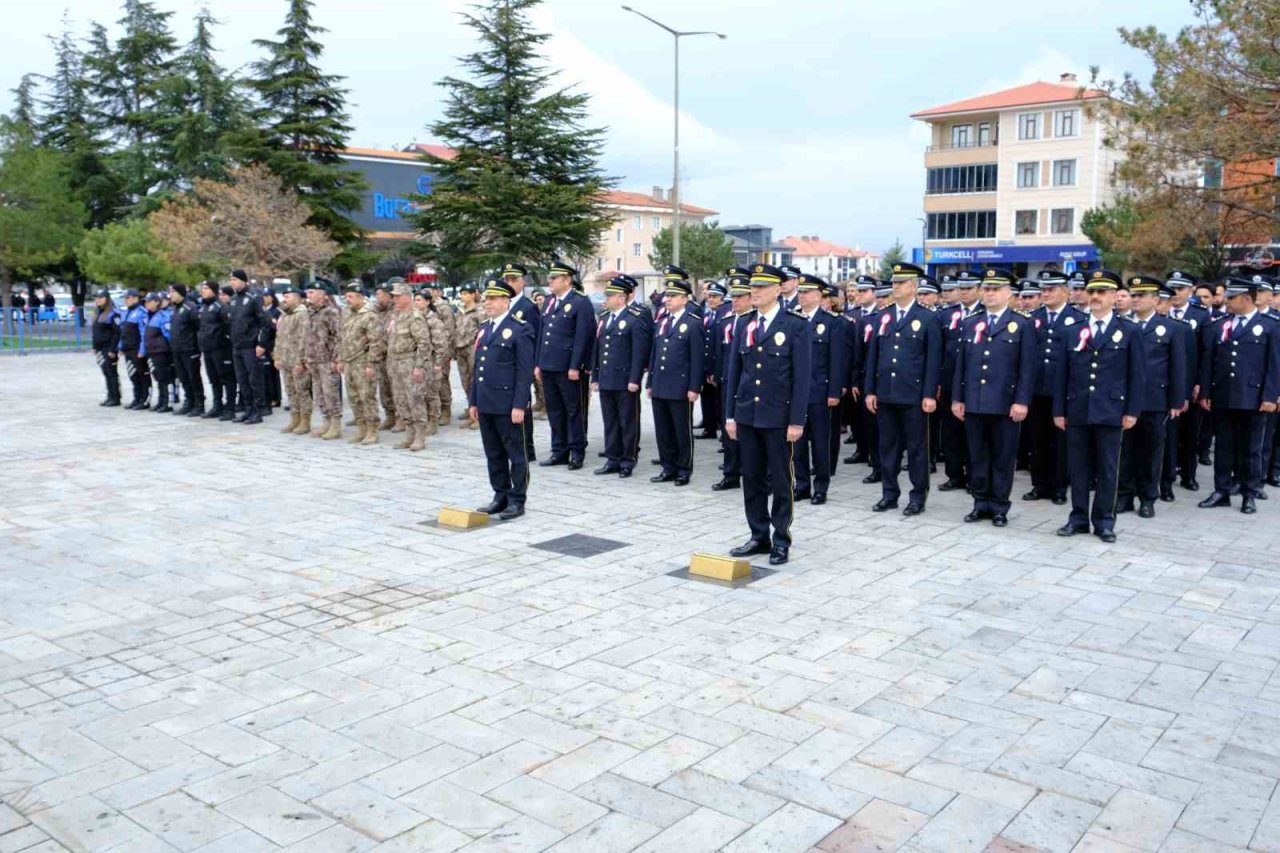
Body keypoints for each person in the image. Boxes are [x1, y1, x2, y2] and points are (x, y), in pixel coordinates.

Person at [724, 263, 812, 565]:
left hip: (778, 417)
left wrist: (797, 420)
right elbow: (733, 373)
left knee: (779, 481)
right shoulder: (743, 323)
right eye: (753, 287)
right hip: (748, 414)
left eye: (761, 287)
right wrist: (730, 416)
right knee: (752, 478)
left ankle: (780, 539)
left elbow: (802, 379)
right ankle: (758, 535)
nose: (755, 292)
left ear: (778, 289)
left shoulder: (795, 325)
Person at [1054, 269, 1146, 543]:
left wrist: (1132, 411)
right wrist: (1059, 410)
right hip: (1078, 410)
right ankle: (1078, 517)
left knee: (1107, 468)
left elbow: (1136, 376)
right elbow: (1062, 375)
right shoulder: (1072, 330)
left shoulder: (1128, 331)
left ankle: (1104, 520)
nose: (1095, 296)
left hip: (1111, 411)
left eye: (1101, 292)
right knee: (1078, 468)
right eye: (1092, 291)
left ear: (1114, 296)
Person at [951, 268, 1036, 526]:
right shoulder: (971, 322)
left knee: (1002, 457)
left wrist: (1021, 401)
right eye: (986, 289)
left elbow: (1027, 368)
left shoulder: (1022, 323)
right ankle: (980, 503)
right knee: (977, 456)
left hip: (1005, 404)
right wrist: (957, 398)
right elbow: (961, 367)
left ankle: (999, 506)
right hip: (975, 402)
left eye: (995, 289)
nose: (989, 294)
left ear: (1008, 293)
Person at [1197, 276, 1280, 513]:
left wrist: (1270, 396)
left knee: (1251, 449)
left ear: (1246, 299)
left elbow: (1274, 366)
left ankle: (1248, 493)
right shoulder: (1221, 324)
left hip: (1253, 398)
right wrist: (1205, 390)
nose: (1227, 301)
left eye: (1232, 297)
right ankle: (1221, 490)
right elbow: (1209, 361)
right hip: (1223, 395)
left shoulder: (1270, 325)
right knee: (1223, 446)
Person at [864, 262, 942, 515]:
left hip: (914, 395)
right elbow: (873, 356)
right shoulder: (883, 316)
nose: (895, 287)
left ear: (914, 286)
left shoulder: (928, 317)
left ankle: (918, 496)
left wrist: (929, 394)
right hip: (886, 393)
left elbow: (933, 360)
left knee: (917, 449)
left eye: (900, 283)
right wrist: (870, 390)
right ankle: (889, 494)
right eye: (894, 283)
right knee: (888, 447)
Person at [1116, 276, 1189, 518]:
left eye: (1141, 295)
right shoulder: (1121, 324)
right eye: (1133, 295)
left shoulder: (1172, 328)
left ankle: (1148, 498)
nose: (1135, 299)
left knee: (1151, 452)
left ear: (1156, 299)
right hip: (1124, 400)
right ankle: (1124, 496)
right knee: (1124, 451)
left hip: (1154, 400)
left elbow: (1178, 368)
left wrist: (1176, 401)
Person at [470, 278, 535, 520]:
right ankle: (500, 494)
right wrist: (473, 401)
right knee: (494, 452)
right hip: (487, 402)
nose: (488, 303)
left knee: (516, 453)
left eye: (494, 298)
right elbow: (478, 369)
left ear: (506, 302)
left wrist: (520, 405)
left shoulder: (520, 328)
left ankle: (517, 500)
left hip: (508, 404)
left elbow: (524, 371)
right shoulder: (485, 328)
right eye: (487, 298)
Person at [1025, 270, 1082, 504]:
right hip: (1037, 388)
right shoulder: (1033, 317)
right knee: (1036, 439)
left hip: (1063, 390)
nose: (1046, 293)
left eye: (1051, 289)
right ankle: (1039, 485)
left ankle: (1059, 487)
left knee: (1061, 441)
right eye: (1044, 289)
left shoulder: (1076, 318)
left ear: (1065, 292)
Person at [533, 260, 595, 469]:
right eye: (550, 277)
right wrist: (539, 362)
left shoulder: (580, 302)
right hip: (549, 365)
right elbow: (543, 333)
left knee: (573, 410)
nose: (549, 281)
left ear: (567, 280)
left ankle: (577, 451)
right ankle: (559, 450)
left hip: (569, 368)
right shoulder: (550, 301)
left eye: (554, 278)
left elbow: (583, 337)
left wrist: (575, 366)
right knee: (555, 410)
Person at [647, 266, 706, 486]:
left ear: (685, 298)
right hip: (661, 384)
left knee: (682, 431)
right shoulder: (662, 322)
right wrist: (650, 382)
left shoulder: (693, 323)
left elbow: (697, 359)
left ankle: (683, 469)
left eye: (672, 296)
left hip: (680, 386)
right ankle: (667, 467)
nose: (667, 300)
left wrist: (694, 387)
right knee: (663, 430)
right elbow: (655, 355)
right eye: (666, 296)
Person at [792, 274, 846, 505]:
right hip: (796, 393)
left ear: (819, 295)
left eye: (806, 292)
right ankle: (802, 485)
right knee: (798, 443)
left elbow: (837, 361)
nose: (801, 296)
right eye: (800, 292)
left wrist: (834, 392)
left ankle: (821, 487)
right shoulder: (792, 320)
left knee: (821, 443)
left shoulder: (832, 322)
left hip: (820, 392)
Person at [592, 274, 651, 477]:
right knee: (611, 421)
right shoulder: (604, 319)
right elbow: (598, 349)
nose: (606, 298)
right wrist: (595, 377)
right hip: (607, 379)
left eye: (610, 295)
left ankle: (628, 460)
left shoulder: (634, 319)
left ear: (622, 298)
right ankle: (613, 458)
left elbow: (639, 352)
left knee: (628, 422)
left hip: (625, 381)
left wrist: (635, 379)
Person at [937, 270, 982, 492]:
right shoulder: (946, 315)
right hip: (949, 382)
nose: (963, 292)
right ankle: (954, 475)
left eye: (968, 288)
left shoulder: (986, 314)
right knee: (951, 432)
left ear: (979, 290)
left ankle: (975, 477)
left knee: (973, 434)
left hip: (975, 383)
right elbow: (937, 351)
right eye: (961, 288)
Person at [711, 274, 753, 491]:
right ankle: (731, 474)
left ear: (750, 297)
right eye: (733, 297)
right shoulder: (726, 321)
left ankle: (754, 474)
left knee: (749, 431)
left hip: (749, 384)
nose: (734, 301)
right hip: (728, 381)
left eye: (739, 296)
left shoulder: (755, 322)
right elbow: (721, 354)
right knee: (729, 429)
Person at [385, 282, 436, 452]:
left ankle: (419, 436)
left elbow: (424, 343)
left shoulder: (414, 316)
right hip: (395, 363)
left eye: (398, 296)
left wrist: (419, 366)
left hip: (410, 363)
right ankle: (409, 434)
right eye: (393, 296)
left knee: (415, 399)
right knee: (400, 400)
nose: (395, 299)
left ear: (408, 296)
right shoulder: (396, 316)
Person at [337, 282, 386, 445]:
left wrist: (371, 364)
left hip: (363, 361)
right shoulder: (347, 313)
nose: (347, 300)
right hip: (349, 361)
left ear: (360, 297)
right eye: (346, 297)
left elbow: (376, 342)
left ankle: (372, 430)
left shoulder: (370, 315)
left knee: (367, 396)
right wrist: (340, 358)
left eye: (350, 297)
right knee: (354, 397)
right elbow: (342, 338)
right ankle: (361, 428)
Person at [502, 263, 541, 461]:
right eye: (506, 279)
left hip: (522, 363)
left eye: (513, 279)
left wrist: (533, 364)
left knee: (522, 404)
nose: (509, 283)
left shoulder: (527, 307)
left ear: (522, 281)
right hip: (506, 364)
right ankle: (512, 445)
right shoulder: (504, 304)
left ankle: (527, 448)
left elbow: (535, 336)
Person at [227, 270, 269, 424]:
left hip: (251, 346)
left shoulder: (254, 297)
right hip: (237, 346)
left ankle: (258, 411)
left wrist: (261, 343)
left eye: (235, 279)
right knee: (242, 380)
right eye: (231, 280)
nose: (232, 282)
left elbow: (265, 323)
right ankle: (248, 409)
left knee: (254, 380)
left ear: (243, 280)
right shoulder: (233, 299)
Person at [304, 281, 342, 439]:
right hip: (314, 359)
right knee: (319, 393)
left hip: (327, 359)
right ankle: (326, 420)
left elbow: (339, 336)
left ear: (321, 294)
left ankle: (335, 423)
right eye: (308, 292)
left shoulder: (331, 312)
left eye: (312, 292)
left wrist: (337, 358)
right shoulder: (311, 312)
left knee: (330, 392)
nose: (308, 295)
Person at [275, 284, 312, 435]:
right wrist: (276, 356)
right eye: (284, 297)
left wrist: (301, 361)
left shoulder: (302, 314)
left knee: (302, 390)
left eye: (288, 296)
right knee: (290, 391)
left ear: (297, 299)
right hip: (285, 359)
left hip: (297, 360)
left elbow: (305, 339)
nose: (284, 299)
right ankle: (294, 418)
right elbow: (279, 337)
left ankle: (305, 420)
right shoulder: (285, 315)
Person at [197, 283, 235, 420]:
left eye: (206, 289)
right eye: (202, 289)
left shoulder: (221, 307)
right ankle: (217, 405)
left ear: (214, 291)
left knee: (226, 377)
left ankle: (230, 407)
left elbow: (229, 326)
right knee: (213, 379)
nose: (203, 291)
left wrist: (223, 341)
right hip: (208, 349)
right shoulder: (204, 307)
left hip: (221, 349)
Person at [168, 284, 204, 417]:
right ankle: (189, 401)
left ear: (180, 293)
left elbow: (198, 328)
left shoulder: (190, 308)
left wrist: (196, 347)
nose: (170, 294)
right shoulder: (175, 309)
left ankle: (199, 403)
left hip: (190, 349)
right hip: (177, 350)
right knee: (183, 378)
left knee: (193, 377)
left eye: (172, 292)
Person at [425, 283, 457, 426]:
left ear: (437, 292)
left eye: (430, 291)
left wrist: (445, 352)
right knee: (430, 381)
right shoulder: (424, 308)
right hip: (427, 352)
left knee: (442, 380)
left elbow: (449, 331)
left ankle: (446, 409)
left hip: (441, 350)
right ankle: (432, 410)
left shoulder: (444, 307)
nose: (428, 293)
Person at [453, 284, 484, 429]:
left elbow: (483, 331)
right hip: (460, 349)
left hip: (473, 348)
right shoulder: (459, 311)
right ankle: (471, 410)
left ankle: (479, 415)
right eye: (461, 293)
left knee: (475, 381)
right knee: (465, 381)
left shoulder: (479, 311)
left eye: (466, 293)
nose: (463, 296)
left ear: (473, 295)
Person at [141, 291, 174, 413]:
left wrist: (169, 350)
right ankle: (161, 401)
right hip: (152, 352)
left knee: (164, 377)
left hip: (161, 352)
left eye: (149, 301)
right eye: (145, 301)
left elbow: (168, 335)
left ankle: (167, 402)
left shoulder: (162, 316)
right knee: (158, 377)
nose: (147, 304)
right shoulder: (149, 316)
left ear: (157, 302)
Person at [372, 282, 399, 431]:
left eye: (380, 294)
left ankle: (401, 417)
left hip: (394, 356)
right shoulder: (376, 311)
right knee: (384, 388)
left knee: (397, 388)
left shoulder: (397, 311)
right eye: (376, 294)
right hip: (380, 355)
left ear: (389, 296)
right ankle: (390, 416)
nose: (377, 298)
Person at [119, 289, 152, 409]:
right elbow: (123, 331)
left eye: (127, 298)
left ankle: (145, 400)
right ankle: (137, 398)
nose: (125, 300)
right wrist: (121, 347)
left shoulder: (141, 312)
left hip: (137, 349)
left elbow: (143, 333)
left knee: (142, 375)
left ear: (135, 298)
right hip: (128, 349)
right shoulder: (128, 312)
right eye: (125, 298)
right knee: (133, 375)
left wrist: (142, 350)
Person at [91, 289, 124, 407]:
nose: (98, 300)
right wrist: (94, 346)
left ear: (107, 299)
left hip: (108, 348)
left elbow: (117, 333)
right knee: (106, 372)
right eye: (97, 298)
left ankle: (116, 397)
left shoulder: (113, 314)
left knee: (111, 373)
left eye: (101, 298)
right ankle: (110, 395)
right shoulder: (99, 312)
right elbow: (96, 331)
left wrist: (112, 349)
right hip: (100, 348)